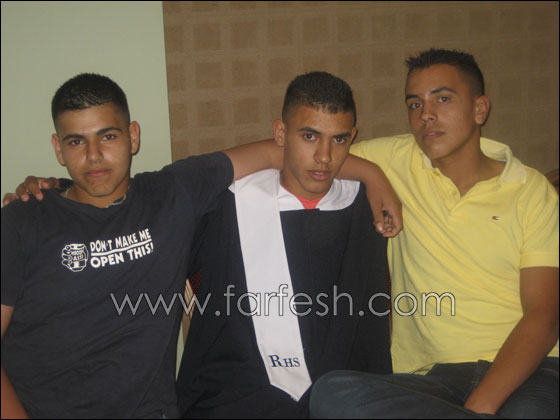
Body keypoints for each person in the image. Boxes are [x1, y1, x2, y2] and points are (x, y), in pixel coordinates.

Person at [0, 73, 400, 419]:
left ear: (133, 136)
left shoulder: (174, 195)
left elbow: (285, 154)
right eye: (76, 142)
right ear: (57, 148)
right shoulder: (23, 221)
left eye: (108, 136)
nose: (94, 156)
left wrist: (372, 173)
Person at [310, 49, 559, 418]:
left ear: (480, 109)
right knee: (331, 393)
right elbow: (301, 154)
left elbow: (545, 314)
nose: (425, 114)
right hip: (432, 379)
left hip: (529, 372)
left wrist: (480, 406)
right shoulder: (394, 159)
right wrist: (372, 174)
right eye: (415, 104)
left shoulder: (531, 190)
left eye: (442, 99)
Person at [174, 72, 392, 418]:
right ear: (280, 134)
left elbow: (371, 331)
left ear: (352, 137)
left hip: (339, 396)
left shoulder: (366, 209)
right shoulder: (227, 205)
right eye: (309, 136)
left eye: (338, 140)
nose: (324, 157)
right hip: (235, 395)